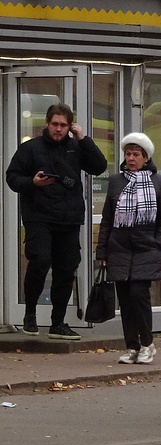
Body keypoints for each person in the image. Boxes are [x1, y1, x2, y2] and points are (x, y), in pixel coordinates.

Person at [5, 103, 108, 339]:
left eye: (63, 125)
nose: (58, 129)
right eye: (55, 124)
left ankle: (58, 322)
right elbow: (12, 177)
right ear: (47, 124)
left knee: (66, 269)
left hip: (69, 218)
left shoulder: (76, 147)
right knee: (40, 261)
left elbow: (99, 166)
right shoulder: (30, 148)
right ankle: (30, 314)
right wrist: (32, 183)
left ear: (70, 126)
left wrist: (83, 139)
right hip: (39, 216)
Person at [95, 133, 161, 364]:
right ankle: (131, 346)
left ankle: (147, 344)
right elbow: (108, 219)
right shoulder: (117, 181)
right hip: (119, 248)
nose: (131, 158)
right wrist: (102, 251)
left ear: (145, 157)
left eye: (136, 154)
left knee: (139, 295)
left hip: (146, 248)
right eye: (128, 154)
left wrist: (159, 242)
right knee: (126, 299)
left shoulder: (158, 181)